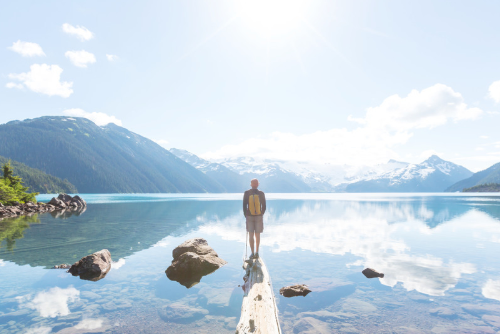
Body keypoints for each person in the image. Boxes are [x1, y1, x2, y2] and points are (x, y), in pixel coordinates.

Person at [243, 178, 266, 259]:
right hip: (259, 216)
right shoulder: (261, 193)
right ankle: (257, 252)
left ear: (251, 184)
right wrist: (261, 214)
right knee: (257, 235)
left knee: (251, 235)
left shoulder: (246, 193)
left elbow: (244, 205)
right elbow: (264, 206)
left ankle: (252, 253)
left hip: (249, 216)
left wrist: (246, 215)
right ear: (258, 184)